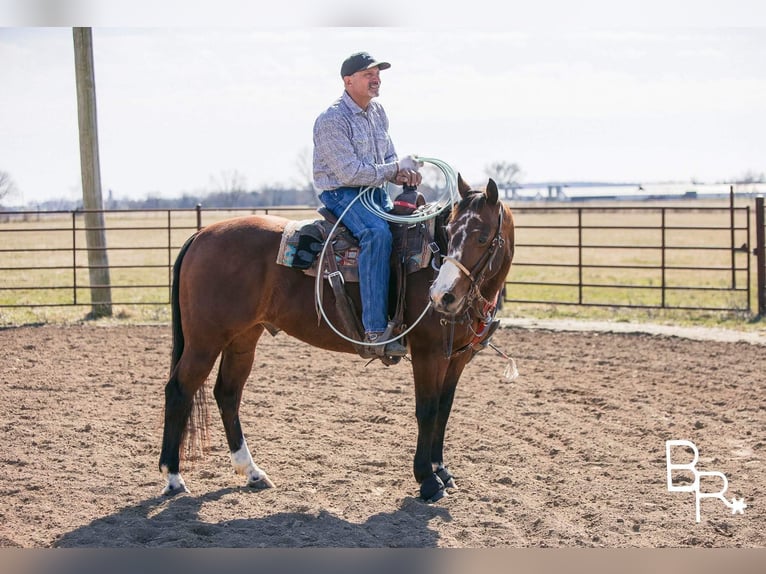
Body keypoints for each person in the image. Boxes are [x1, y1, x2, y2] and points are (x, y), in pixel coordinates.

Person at [313, 51, 422, 358]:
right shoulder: (331, 120)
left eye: (377, 74)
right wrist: (392, 169)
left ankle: (405, 315)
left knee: (414, 229)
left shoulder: (378, 113)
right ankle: (374, 329)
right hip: (342, 194)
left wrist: (403, 172)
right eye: (367, 75)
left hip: (373, 193)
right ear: (348, 81)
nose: (376, 79)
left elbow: (388, 157)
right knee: (377, 234)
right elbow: (348, 172)